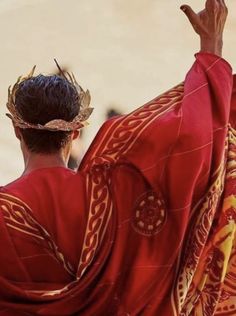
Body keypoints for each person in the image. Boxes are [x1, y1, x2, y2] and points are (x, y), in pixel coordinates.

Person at [0, 0, 235, 315]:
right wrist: (211, 47)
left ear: (16, 130)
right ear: (76, 132)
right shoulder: (114, 195)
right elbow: (194, 143)